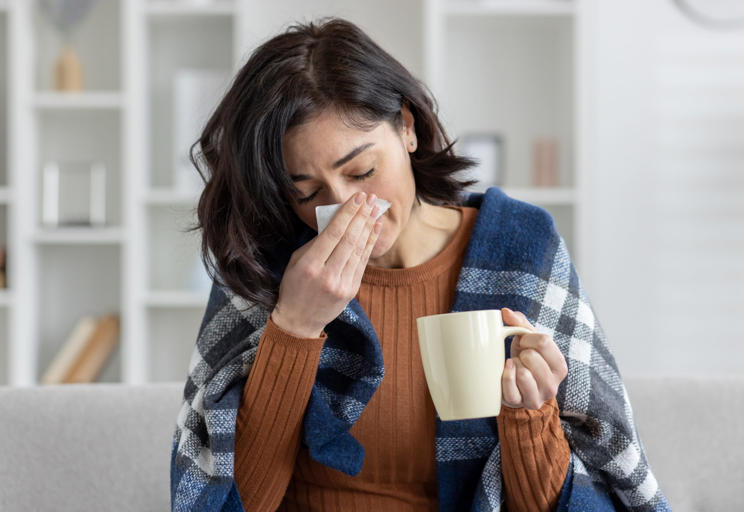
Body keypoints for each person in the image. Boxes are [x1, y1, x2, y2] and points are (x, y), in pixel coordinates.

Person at [169, 17, 670, 512]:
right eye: (308, 192)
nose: (345, 205)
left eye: (362, 170)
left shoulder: (519, 245)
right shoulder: (268, 264)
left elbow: (562, 502)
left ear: (407, 127)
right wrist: (295, 326)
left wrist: (529, 415)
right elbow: (234, 503)